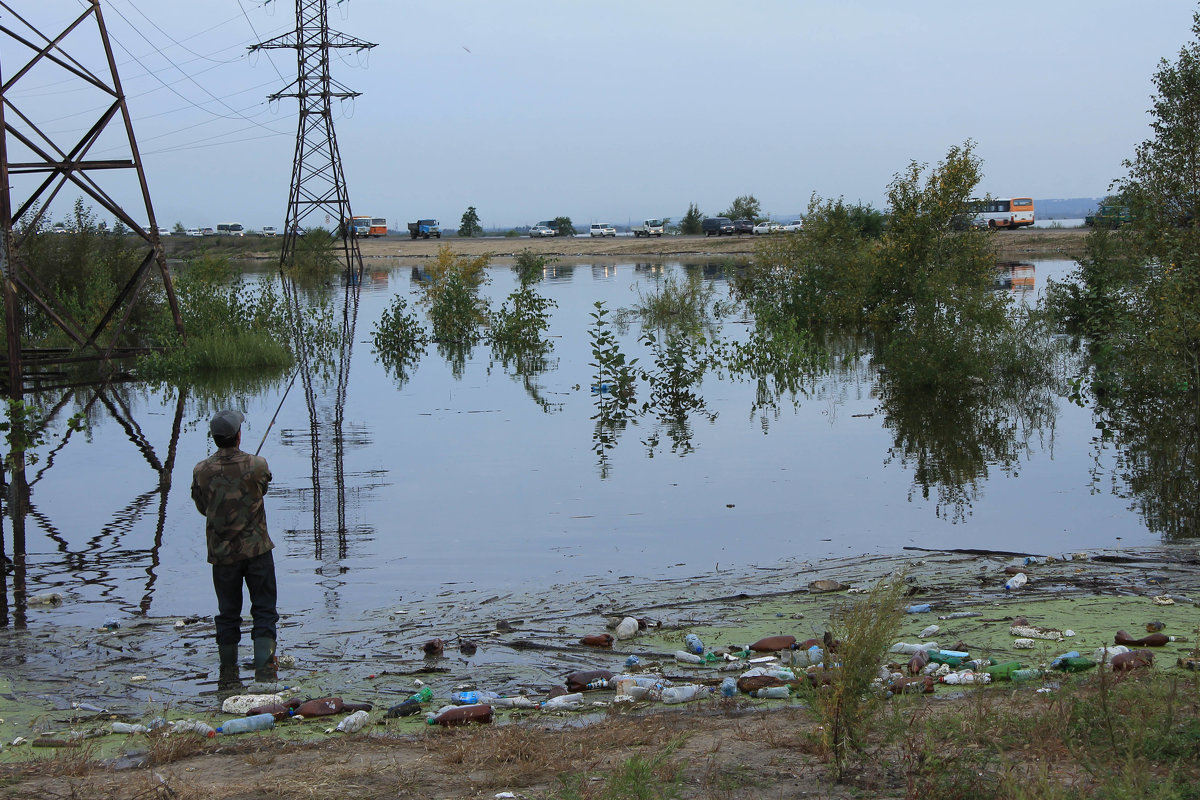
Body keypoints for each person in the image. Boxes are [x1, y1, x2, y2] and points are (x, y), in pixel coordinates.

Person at [191, 409, 278, 684]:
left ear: (215, 438)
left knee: (227, 614)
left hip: (222, 555)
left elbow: (202, 507)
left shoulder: (201, 471)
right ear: (238, 435)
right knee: (263, 610)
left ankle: (227, 673)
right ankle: (264, 671)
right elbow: (261, 490)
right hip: (257, 552)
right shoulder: (258, 464)